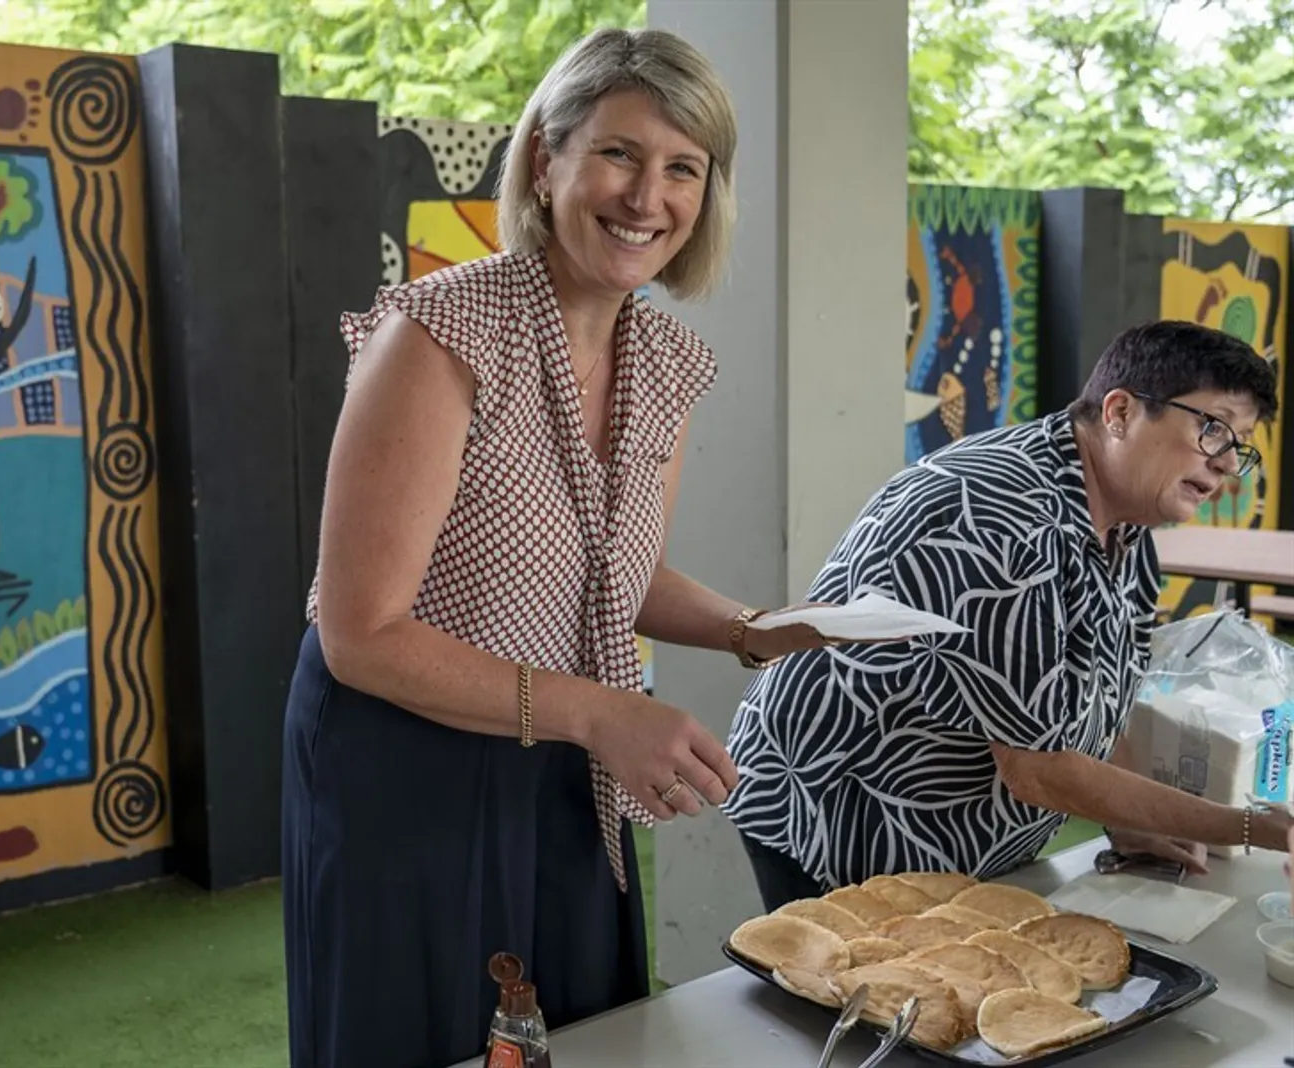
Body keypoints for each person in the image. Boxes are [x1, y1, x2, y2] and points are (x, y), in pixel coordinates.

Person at [281, 27, 849, 1068]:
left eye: (682, 168)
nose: (647, 197)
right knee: (426, 1037)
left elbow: (612, 574)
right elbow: (361, 633)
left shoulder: (669, 359)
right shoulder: (440, 333)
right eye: (619, 153)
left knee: (584, 1039)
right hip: (406, 754)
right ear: (546, 160)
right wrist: (602, 712)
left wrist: (749, 627)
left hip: (570, 755)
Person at [720, 320, 1294, 909]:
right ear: (1120, 412)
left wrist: (1133, 821)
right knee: (865, 968)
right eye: (1213, 428)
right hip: (845, 813)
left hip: (957, 831)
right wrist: (1256, 827)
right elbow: (1037, 768)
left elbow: (1104, 699)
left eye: (1240, 444)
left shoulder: (1126, 522)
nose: (1228, 464)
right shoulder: (1005, 519)